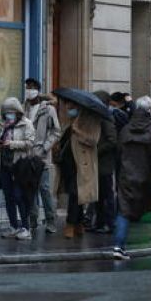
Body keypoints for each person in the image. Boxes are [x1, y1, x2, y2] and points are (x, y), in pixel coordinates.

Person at [113, 96, 151, 260]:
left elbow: (118, 155)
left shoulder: (126, 130)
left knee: (124, 211)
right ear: (150, 111)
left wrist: (118, 176)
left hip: (127, 177)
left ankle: (118, 246)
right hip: (148, 178)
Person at [56, 100, 101, 239]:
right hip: (68, 164)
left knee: (75, 194)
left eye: (72, 106)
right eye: (68, 106)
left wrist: (78, 131)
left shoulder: (91, 121)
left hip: (82, 164)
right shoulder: (70, 121)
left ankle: (70, 223)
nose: (69, 109)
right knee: (76, 195)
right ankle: (79, 223)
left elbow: (93, 140)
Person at [0, 97, 36, 240]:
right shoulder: (1, 124)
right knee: (8, 196)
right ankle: (13, 226)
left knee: (19, 196)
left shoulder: (26, 124)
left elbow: (30, 143)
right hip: (4, 165)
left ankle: (26, 228)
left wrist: (12, 144)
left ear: (18, 112)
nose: (9, 115)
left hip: (19, 166)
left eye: (11, 112)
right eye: (6, 112)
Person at [23, 78, 61, 234]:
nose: (29, 90)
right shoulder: (24, 108)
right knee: (29, 189)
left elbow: (56, 132)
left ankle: (51, 220)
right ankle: (33, 220)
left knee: (44, 189)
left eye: (31, 87)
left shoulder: (48, 109)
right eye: (27, 87)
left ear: (37, 90)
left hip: (41, 156)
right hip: (26, 156)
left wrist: (45, 147)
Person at [91, 91, 118, 234]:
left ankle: (109, 223)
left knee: (107, 195)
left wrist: (97, 150)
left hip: (105, 164)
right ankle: (99, 223)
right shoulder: (99, 117)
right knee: (99, 196)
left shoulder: (107, 118)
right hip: (98, 163)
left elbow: (112, 140)